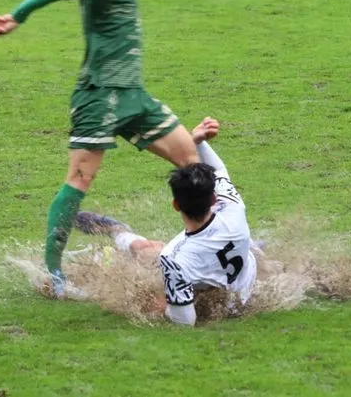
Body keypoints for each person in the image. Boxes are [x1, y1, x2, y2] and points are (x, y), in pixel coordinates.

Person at [0, 0, 201, 296]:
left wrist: (17, 16)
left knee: (193, 163)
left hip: (132, 94)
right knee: (80, 178)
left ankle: (208, 247)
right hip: (99, 95)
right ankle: (54, 275)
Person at [74, 117, 257, 326]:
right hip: (246, 278)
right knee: (152, 252)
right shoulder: (232, 207)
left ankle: (118, 232)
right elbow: (219, 171)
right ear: (214, 199)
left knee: (149, 258)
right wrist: (198, 143)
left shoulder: (174, 257)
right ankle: (118, 232)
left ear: (176, 205)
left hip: (224, 302)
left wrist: (153, 306)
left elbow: (185, 321)